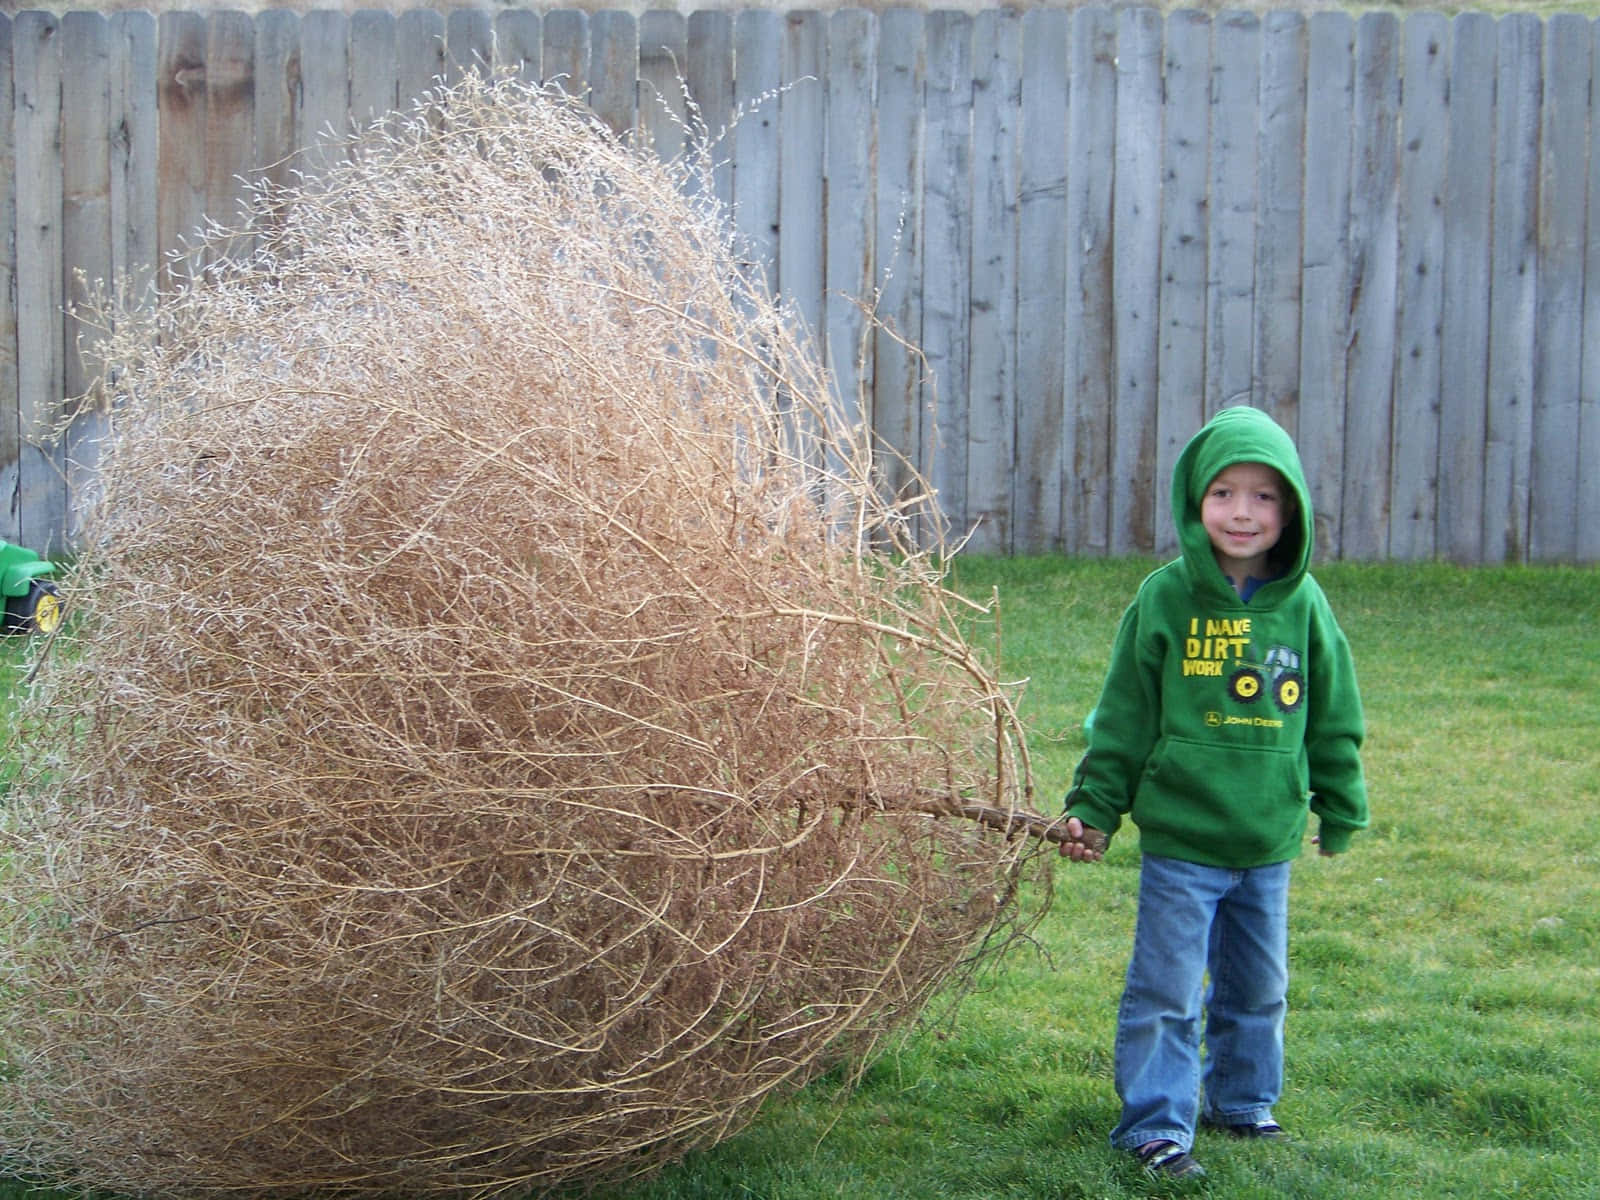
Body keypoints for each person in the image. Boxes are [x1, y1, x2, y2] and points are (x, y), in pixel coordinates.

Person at [1057, 405, 1369, 1180]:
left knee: (1258, 991)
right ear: (1195, 502)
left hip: (1266, 839)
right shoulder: (1164, 598)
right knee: (1166, 992)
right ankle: (1155, 1127)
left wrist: (1339, 801)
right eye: (1225, 493)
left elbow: (1333, 714)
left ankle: (1242, 1103)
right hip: (1182, 840)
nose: (1243, 512)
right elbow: (1123, 714)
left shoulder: (1305, 605)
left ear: (1290, 509)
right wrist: (1095, 805)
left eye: (1265, 496)